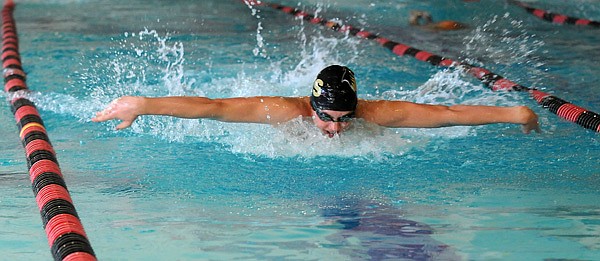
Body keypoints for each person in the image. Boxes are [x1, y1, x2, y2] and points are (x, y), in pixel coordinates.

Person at [92, 65, 540, 138]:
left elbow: (446, 115)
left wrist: (514, 112)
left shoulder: (375, 114)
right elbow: (215, 107)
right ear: (313, 107)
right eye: (329, 118)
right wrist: (144, 103)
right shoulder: (288, 110)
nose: (337, 129)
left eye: (346, 119)